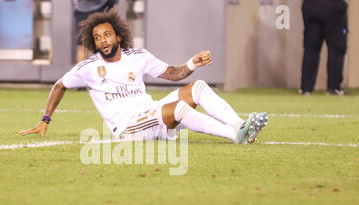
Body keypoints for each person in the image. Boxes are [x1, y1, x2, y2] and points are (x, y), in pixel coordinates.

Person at [20, 9, 267, 144]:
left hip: (152, 113)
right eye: (97, 38)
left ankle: (240, 126)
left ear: (118, 36)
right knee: (179, 108)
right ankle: (235, 136)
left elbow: (173, 74)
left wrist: (193, 62)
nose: (102, 40)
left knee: (198, 87)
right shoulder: (89, 67)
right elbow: (60, 85)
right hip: (129, 128)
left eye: (106, 35)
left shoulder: (138, 56)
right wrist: (45, 119)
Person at [300, 0, 349, 96]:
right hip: (333, 6)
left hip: (311, 6)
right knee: (336, 48)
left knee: (311, 48)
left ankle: (306, 88)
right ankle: (333, 87)